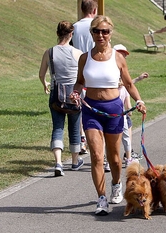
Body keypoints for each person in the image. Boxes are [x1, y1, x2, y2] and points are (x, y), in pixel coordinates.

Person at [71, 15, 147, 215]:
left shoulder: (118, 57)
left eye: (105, 31)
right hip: (91, 109)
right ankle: (101, 198)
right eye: (97, 31)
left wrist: (139, 100)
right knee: (96, 156)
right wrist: (76, 92)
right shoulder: (85, 58)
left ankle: (115, 184)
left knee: (114, 159)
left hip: (113, 109)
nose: (101, 35)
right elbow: (79, 81)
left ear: (111, 33)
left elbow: (129, 84)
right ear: (92, 33)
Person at [39, 21, 84, 177]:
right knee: (75, 128)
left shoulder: (49, 52)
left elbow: (41, 74)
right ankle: (74, 161)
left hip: (56, 94)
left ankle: (58, 162)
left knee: (57, 128)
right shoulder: (78, 53)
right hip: (74, 95)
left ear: (57, 33)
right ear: (71, 34)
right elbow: (82, 76)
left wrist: (45, 83)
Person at [113, 44, 149, 167]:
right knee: (111, 135)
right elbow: (122, 85)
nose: (123, 56)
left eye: (125, 54)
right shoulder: (111, 67)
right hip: (111, 106)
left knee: (126, 133)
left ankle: (128, 157)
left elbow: (127, 85)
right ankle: (109, 160)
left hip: (121, 109)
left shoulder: (121, 68)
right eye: (121, 53)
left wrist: (138, 79)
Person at [72, 0, 98, 154]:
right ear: (94, 10)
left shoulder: (75, 27)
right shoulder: (96, 27)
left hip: (78, 68)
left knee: (80, 106)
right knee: (94, 104)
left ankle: (82, 139)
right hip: (94, 67)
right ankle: (93, 137)